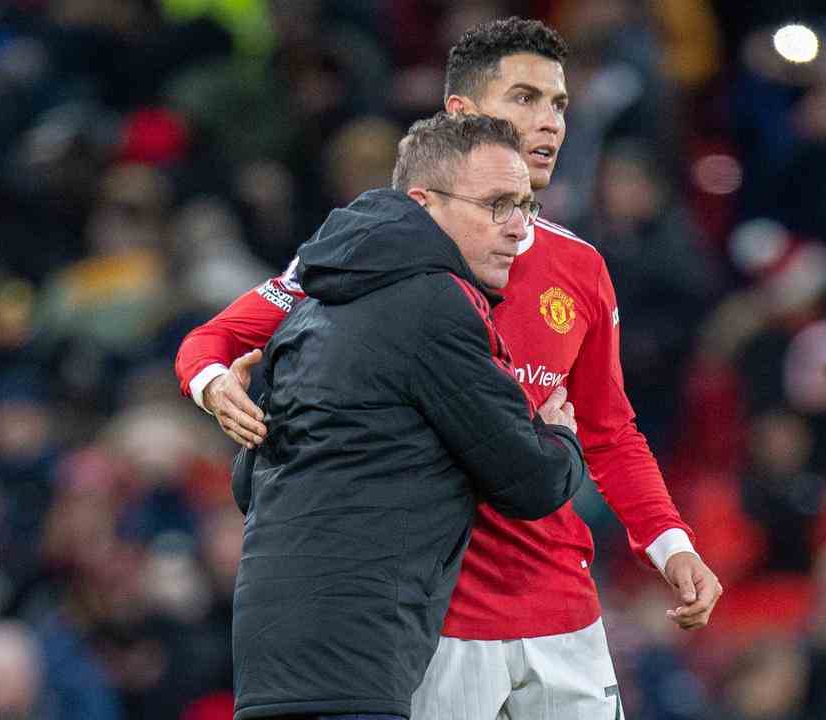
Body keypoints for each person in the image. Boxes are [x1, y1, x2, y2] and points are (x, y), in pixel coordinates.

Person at [175, 17, 721, 718]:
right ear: (461, 116)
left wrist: (672, 546)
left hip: (563, 604)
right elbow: (212, 340)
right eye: (524, 98)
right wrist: (214, 384)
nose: (549, 122)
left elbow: (611, 432)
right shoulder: (374, 260)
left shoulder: (580, 267)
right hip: (439, 622)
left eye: (558, 102)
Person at [230, 112, 588, 720]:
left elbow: (250, 483)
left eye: (525, 206)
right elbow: (532, 480)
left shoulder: (316, 301)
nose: (519, 230)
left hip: (269, 655)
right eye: (497, 205)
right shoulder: (432, 302)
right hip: (357, 659)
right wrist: (561, 436)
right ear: (424, 202)